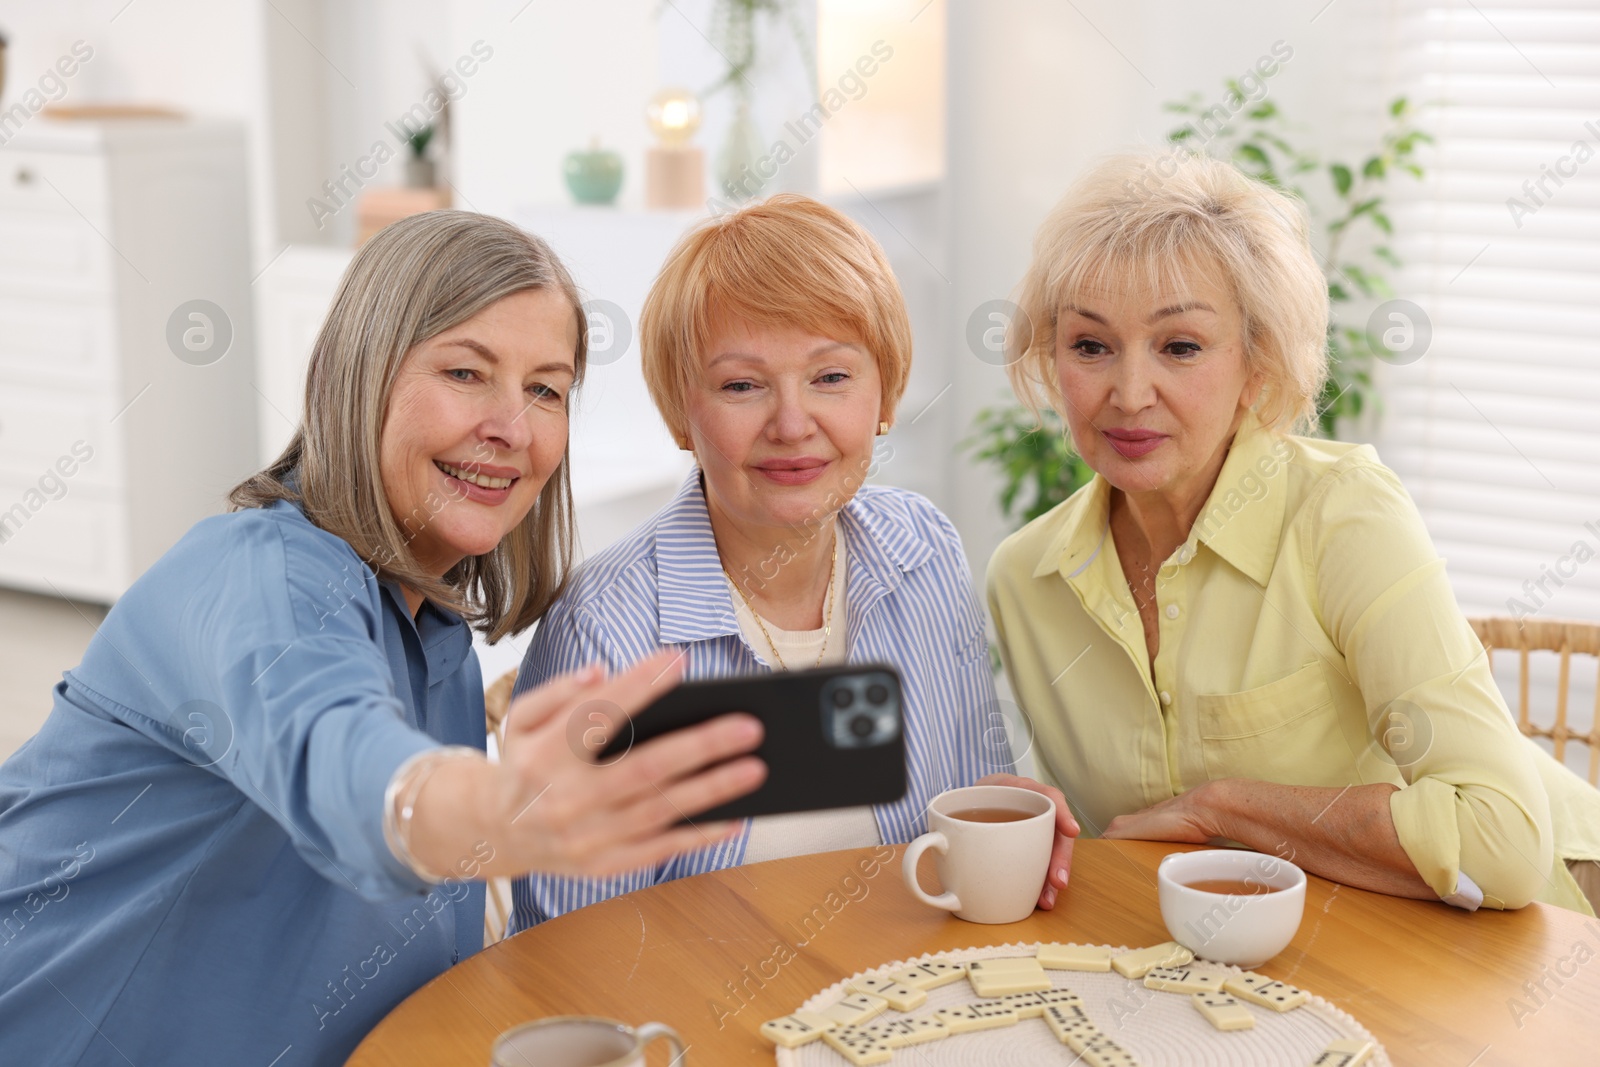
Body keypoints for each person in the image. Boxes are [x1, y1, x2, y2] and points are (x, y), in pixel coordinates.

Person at [0, 211, 766, 1065]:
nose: (513, 427)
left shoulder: (439, 645)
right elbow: (338, 755)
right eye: (467, 372)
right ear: (357, 378)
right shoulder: (255, 573)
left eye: (546, 389)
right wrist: (496, 804)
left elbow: (419, 963)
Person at [988, 152, 1600, 914]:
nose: (1129, 393)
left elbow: (1502, 841)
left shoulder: (1345, 518)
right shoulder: (1025, 579)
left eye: (1180, 346)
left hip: (1514, 953)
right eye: (1090, 346)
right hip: (1261, 978)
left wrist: (1227, 810)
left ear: (1258, 364)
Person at [510, 194, 1076, 932]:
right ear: (682, 414)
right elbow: (572, 957)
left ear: (885, 393)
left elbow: (966, 805)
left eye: (831, 377)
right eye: (742, 385)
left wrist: (1007, 829)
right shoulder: (605, 632)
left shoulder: (924, 552)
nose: (791, 423)